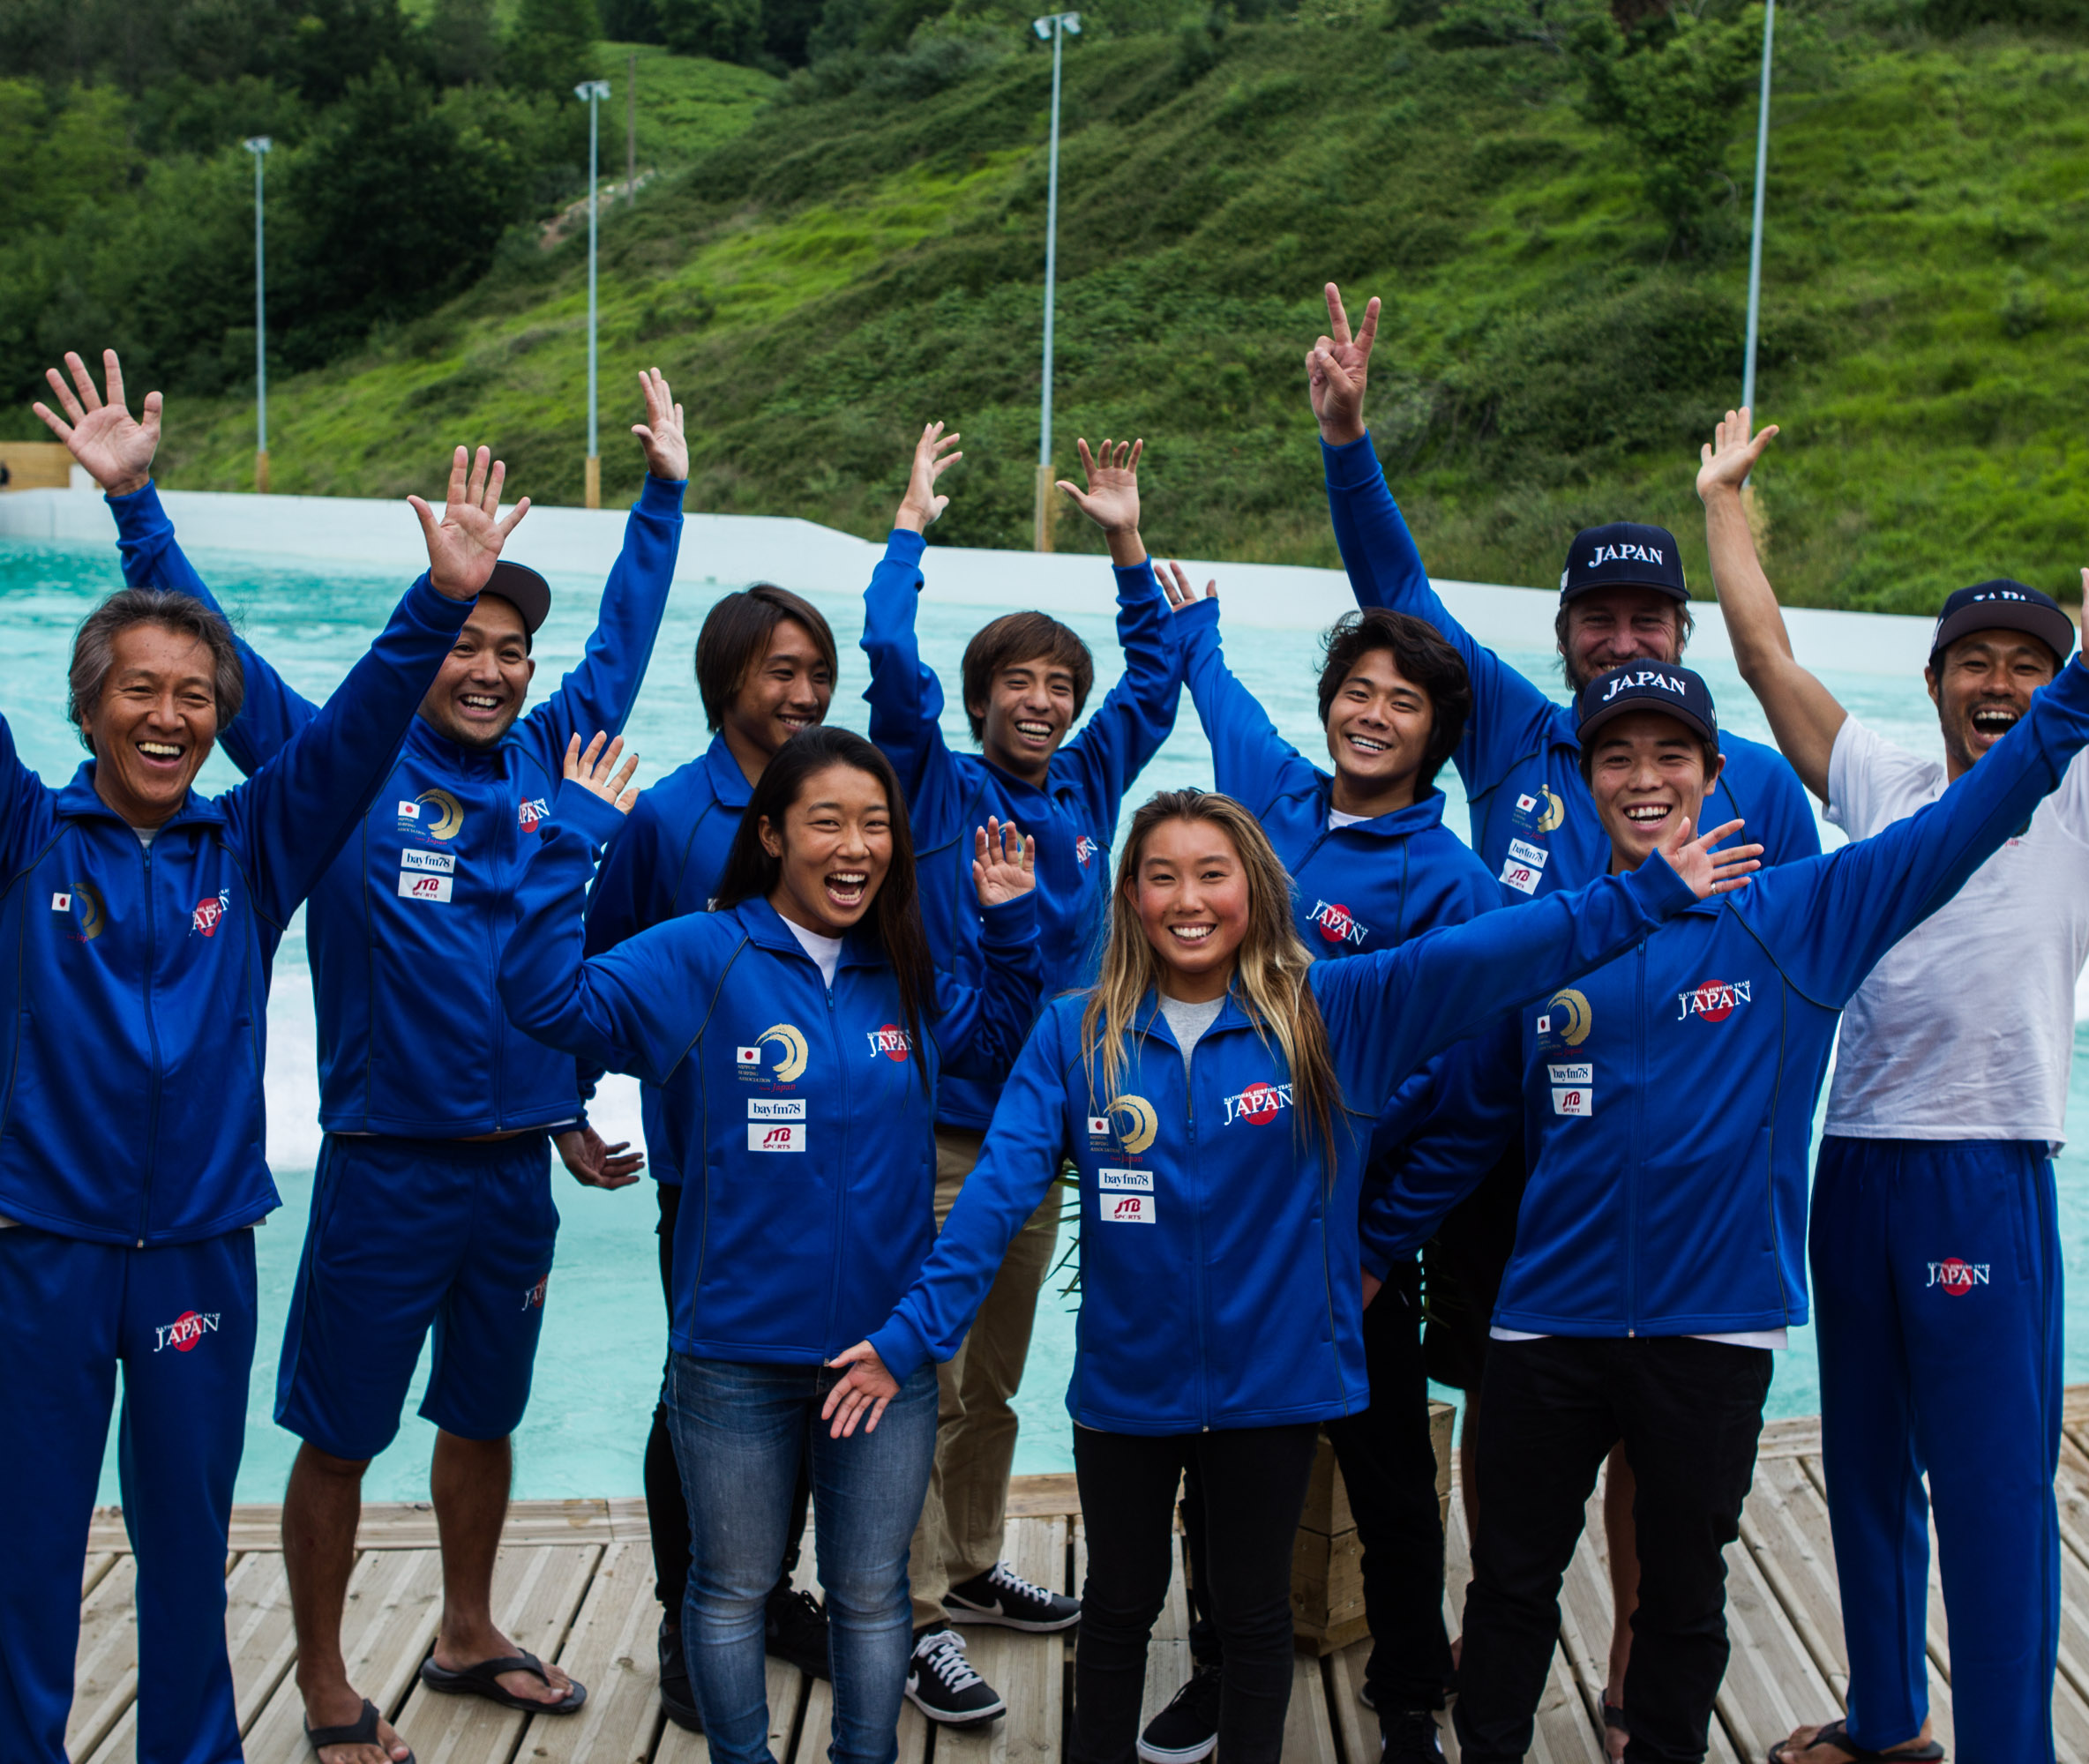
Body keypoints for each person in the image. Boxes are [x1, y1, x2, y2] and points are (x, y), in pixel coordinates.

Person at [1353, 535, 2089, 1764]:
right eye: (1618, 758)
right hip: (1547, 1322)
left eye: (1671, 755)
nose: (1645, 778)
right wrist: (1365, 1248)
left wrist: (2082, 693)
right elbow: (1438, 1074)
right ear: (1586, 783)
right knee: (1512, 1590)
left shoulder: (1801, 918)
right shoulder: (1545, 935)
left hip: (1713, 1326)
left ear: (1715, 775)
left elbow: (1962, 826)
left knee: (1687, 1594)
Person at [0, 368, 498, 1764]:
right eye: (139, 692)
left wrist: (435, 606)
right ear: (91, 709)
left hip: (196, 1256)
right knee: (31, 1564)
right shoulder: (12, 837)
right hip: (39, 1253)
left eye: (194, 695)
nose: (169, 716)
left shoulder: (256, 845)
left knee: (185, 1554)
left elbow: (353, 740)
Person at [34, 348, 685, 1763]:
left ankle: (464, 1628)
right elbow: (211, 658)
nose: (494, 669)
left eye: (515, 651)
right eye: (472, 643)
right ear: (428, 645)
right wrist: (137, 508)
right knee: (341, 1435)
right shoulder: (340, 771)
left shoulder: (547, 761)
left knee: (484, 1416)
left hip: (515, 1168)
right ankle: (326, 1679)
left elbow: (627, 642)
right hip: (386, 1168)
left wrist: (664, 496)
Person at [826, 787, 1765, 1764]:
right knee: (1117, 1607)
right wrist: (911, 1337)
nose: (1188, 899)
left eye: (1212, 873)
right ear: (1131, 900)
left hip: (1271, 1392)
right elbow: (992, 1200)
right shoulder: (1076, 1034)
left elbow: (1501, 949)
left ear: (1257, 892)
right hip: (1125, 1392)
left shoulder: (1337, 1013)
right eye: (1161, 876)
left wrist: (1647, 893)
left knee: (1256, 1613)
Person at [1696, 276, 2089, 1764]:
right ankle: (1884, 1720)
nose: (1999, 680)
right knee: (1863, 1467)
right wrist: (1726, 504)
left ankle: (2007, 1750)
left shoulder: (2085, 793)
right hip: (1851, 1165)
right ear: (1932, 688)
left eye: (2026, 662)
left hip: (1985, 1165)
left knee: (1990, 1489)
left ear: (2062, 685)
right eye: (1972, 662)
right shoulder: (1882, 788)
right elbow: (1766, 659)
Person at [1305, 279, 1824, 1745]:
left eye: (1645, 611)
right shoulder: (1523, 742)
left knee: (1659, 1453)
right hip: (1509, 1150)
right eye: (1595, 614)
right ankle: (1499, 1613)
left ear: (1681, 625)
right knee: (1494, 1396)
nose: (1617, 633)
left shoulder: (1755, 789)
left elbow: (1802, 966)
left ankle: (1639, 1653)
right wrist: (1349, 444)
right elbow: (1400, 598)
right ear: (1564, 630)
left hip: (1667, 1161)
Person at [497, 725, 1045, 1764]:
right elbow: (543, 1001)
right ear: (772, 834)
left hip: (882, 1357)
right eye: (828, 820)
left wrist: (1010, 927)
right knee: (732, 1585)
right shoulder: (702, 952)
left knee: (874, 1592)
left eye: (876, 821)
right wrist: (570, 840)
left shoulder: (906, 960)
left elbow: (994, 1041)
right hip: (734, 1355)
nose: (857, 843)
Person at [1142, 563, 1497, 1764]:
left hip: (1351, 1255)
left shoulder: (1454, 887)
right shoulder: (1268, 809)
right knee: (1214, 1470)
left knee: (1392, 1488)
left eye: (1403, 700)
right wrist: (1144, 569)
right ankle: (1211, 1673)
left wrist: (1375, 1247)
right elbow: (1210, 680)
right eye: (1357, 689)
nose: (1372, 713)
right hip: (1228, 1229)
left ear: (1437, 732)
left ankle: (1408, 1709)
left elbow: (1472, 1100)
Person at [859, 426, 1183, 1721]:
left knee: (991, 1378)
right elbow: (889, 656)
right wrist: (910, 529)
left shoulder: (1091, 780)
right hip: (942, 1134)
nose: (1044, 701)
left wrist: (1125, 541)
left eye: (1060, 682)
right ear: (981, 696)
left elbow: (1153, 678)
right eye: (1021, 682)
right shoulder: (932, 786)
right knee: (925, 1375)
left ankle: (977, 1565)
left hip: (1046, 1134)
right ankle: (914, 1609)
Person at [578, 580, 845, 1726]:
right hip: (709, 1172)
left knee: (805, 1385)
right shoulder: (668, 818)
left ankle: (773, 1596)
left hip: (832, 1169)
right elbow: (592, 978)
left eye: (817, 672)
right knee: (700, 1397)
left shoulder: (840, 804)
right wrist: (567, 1107)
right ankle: (692, 1621)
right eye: (781, 670)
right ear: (726, 678)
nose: (805, 692)